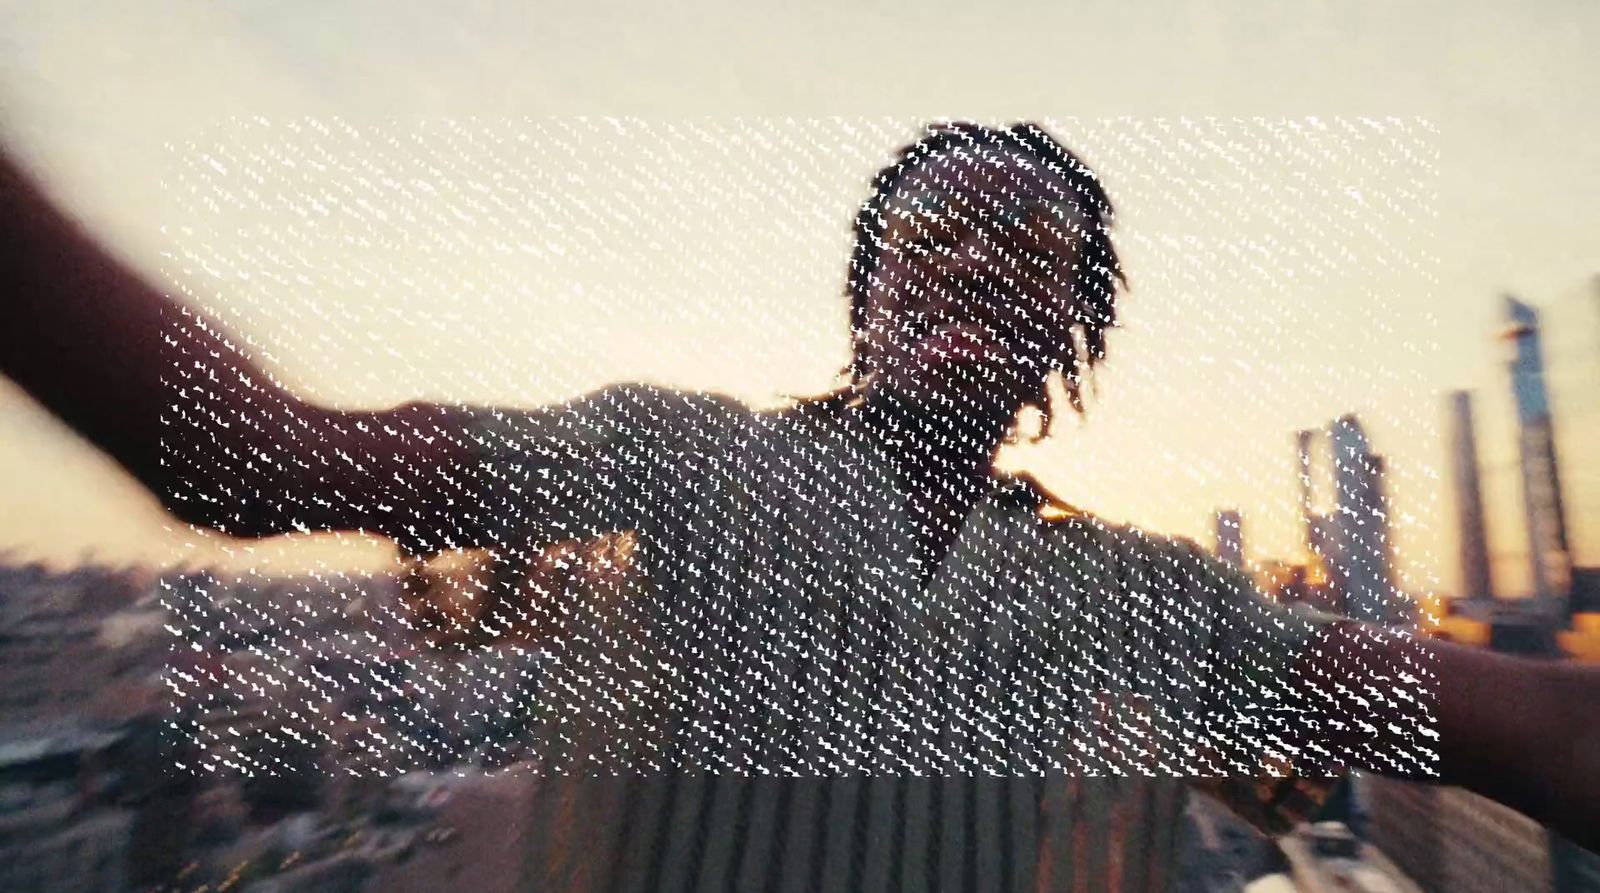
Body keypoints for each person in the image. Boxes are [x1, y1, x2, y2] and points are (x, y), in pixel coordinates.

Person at [2, 121, 1596, 892]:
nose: (975, 255)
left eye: (1031, 251)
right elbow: (250, 458)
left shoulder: (1147, 603)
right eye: (928, 235)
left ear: (1070, 335)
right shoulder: (679, 467)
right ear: (864, 298)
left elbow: (1539, 733)